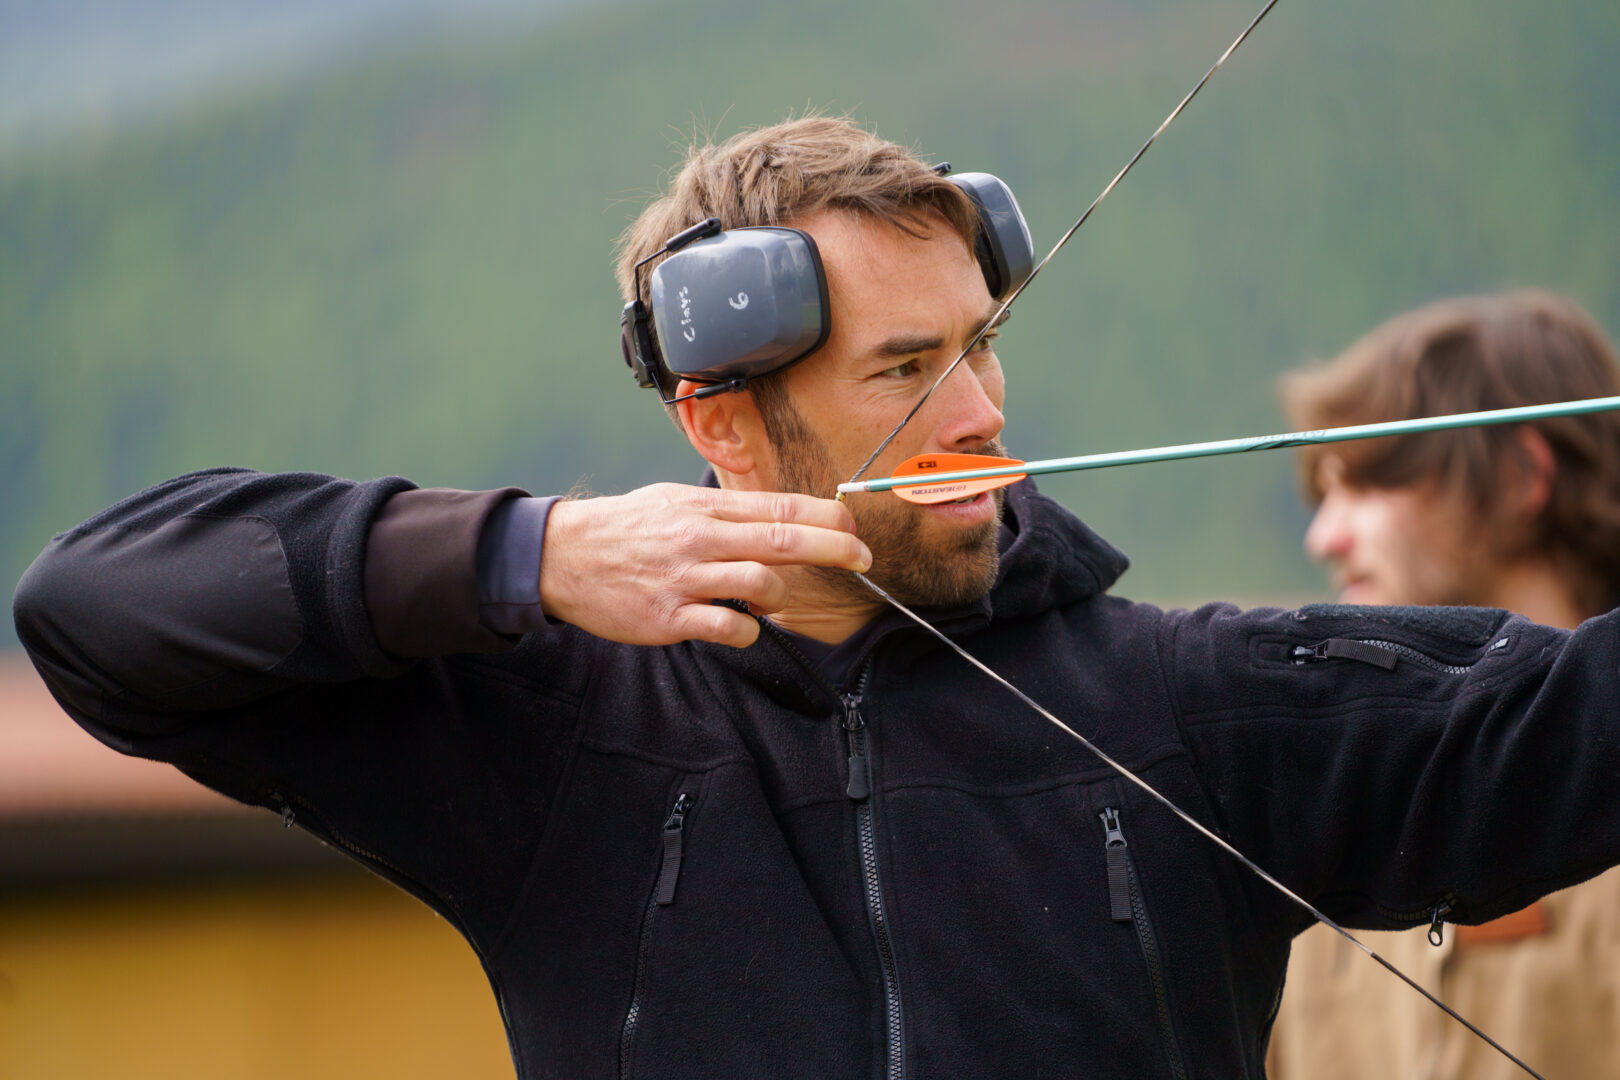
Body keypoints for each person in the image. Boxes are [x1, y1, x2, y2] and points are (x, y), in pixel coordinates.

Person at [12, 117, 1620, 1079]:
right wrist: (527, 555)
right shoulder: (555, 740)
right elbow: (97, 610)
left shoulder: (1189, 706)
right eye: (909, 369)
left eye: (983, 340)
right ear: (721, 423)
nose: (985, 407)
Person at [1267, 290, 1620, 1080]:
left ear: (1521, 478)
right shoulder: (1313, 836)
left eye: (1366, 483)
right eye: (1323, 493)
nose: (1324, 535)